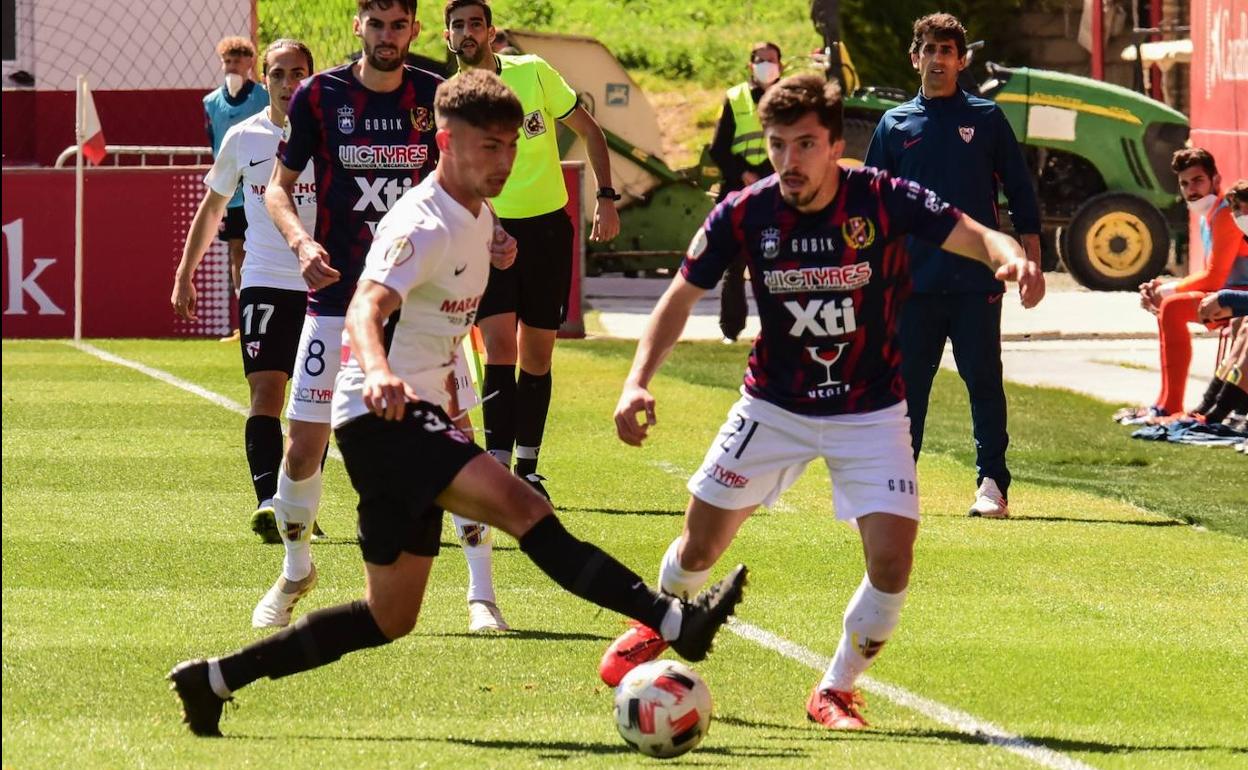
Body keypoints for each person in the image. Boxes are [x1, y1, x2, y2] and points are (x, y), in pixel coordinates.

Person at [167, 71, 748, 737]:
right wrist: (382, 371)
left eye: (509, 147)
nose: (501, 162)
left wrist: (497, 242)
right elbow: (366, 306)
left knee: (391, 617)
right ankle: (676, 621)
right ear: (445, 141)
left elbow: (468, 256)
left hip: (406, 420)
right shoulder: (421, 222)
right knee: (527, 509)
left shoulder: (476, 210)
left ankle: (213, 678)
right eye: (486, 148)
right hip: (386, 415)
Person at [599, 74, 1041, 730]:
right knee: (698, 548)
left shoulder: (884, 198)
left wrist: (1011, 259)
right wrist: (637, 380)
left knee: (892, 562)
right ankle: (655, 620)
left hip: (869, 409)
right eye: (777, 146)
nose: (789, 162)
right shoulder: (745, 211)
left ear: (837, 145)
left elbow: (976, 233)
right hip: (772, 406)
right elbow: (680, 297)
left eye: (805, 145)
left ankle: (834, 689)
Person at [256, 0, 519, 635]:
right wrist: (300, 243)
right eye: (376, 25)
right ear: (358, 28)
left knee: (455, 435)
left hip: (427, 297)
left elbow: (467, 175)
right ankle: (295, 570)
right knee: (304, 444)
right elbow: (277, 187)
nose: (387, 37)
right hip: (342, 292)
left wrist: (496, 231)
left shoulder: (439, 94)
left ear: (414, 31)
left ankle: (481, 592)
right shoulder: (320, 96)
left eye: (398, 25)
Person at [864, 13, 1045, 519]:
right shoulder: (895, 123)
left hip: (975, 283)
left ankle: (992, 484)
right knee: (905, 391)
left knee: (983, 380)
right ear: (915, 56)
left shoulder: (986, 118)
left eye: (948, 50)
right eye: (930, 48)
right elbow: (874, 205)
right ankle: (898, 485)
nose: (938, 58)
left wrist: (1033, 260)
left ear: (961, 60)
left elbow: (1020, 190)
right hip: (912, 284)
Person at [444, 0, 621, 502]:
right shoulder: (448, 98)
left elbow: (589, 131)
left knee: (537, 353)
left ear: (491, 31)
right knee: (499, 346)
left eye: (475, 23)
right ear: (447, 37)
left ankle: (528, 465)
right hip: (486, 233)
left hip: (546, 230)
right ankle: (497, 464)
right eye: (458, 25)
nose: (467, 32)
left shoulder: (534, 73)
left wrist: (606, 200)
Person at [172, 40, 316, 538]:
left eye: (297, 72)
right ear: (265, 79)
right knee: (265, 391)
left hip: (324, 285)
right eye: (278, 73)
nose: (287, 82)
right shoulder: (243, 137)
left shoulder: (330, 137)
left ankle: (299, 502)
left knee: (315, 405)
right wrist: (184, 272)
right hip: (264, 281)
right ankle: (269, 504)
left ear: (309, 78)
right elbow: (213, 209)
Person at [1129, 160, 1248, 421]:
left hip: (1237, 295)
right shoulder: (1210, 216)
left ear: (1215, 180)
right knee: (1169, 306)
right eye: (1184, 183)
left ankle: (1175, 405)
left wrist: (1169, 292)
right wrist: (1164, 287)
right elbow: (1210, 274)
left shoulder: (1227, 214)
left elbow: (1215, 277)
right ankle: (1165, 403)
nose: (1191, 189)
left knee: (1172, 307)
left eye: (1198, 181)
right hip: (1230, 294)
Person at [709, 41, 782, 344]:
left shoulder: (788, 98)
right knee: (734, 264)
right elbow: (718, 148)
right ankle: (731, 330)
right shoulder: (736, 97)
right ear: (750, 65)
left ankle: (777, 328)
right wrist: (744, 173)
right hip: (739, 190)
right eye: (760, 60)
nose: (766, 65)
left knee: (776, 265)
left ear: (781, 65)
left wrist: (767, 176)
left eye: (772, 60)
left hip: (775, 189)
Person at [203, 36, 270, 335]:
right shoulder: (211, 103)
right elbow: (213, 143)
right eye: (227, 61)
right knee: (237, 250)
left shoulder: (263, 97)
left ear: (250, 64)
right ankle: (244, 318)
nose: (232, 66)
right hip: (233, 194)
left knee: (267, 246)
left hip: (263, 188)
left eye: (238, 61)